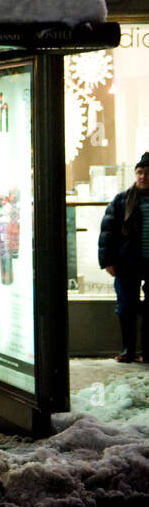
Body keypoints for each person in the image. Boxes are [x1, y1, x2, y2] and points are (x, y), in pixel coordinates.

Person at [98, 152, 149, 363]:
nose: (143, 177)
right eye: (139, 172)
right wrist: (107, 260)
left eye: (147, 172)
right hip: (128, 261)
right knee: (126, 306)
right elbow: (107, 231)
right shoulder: (122, 200)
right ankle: (128, 350)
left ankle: (147, 351)